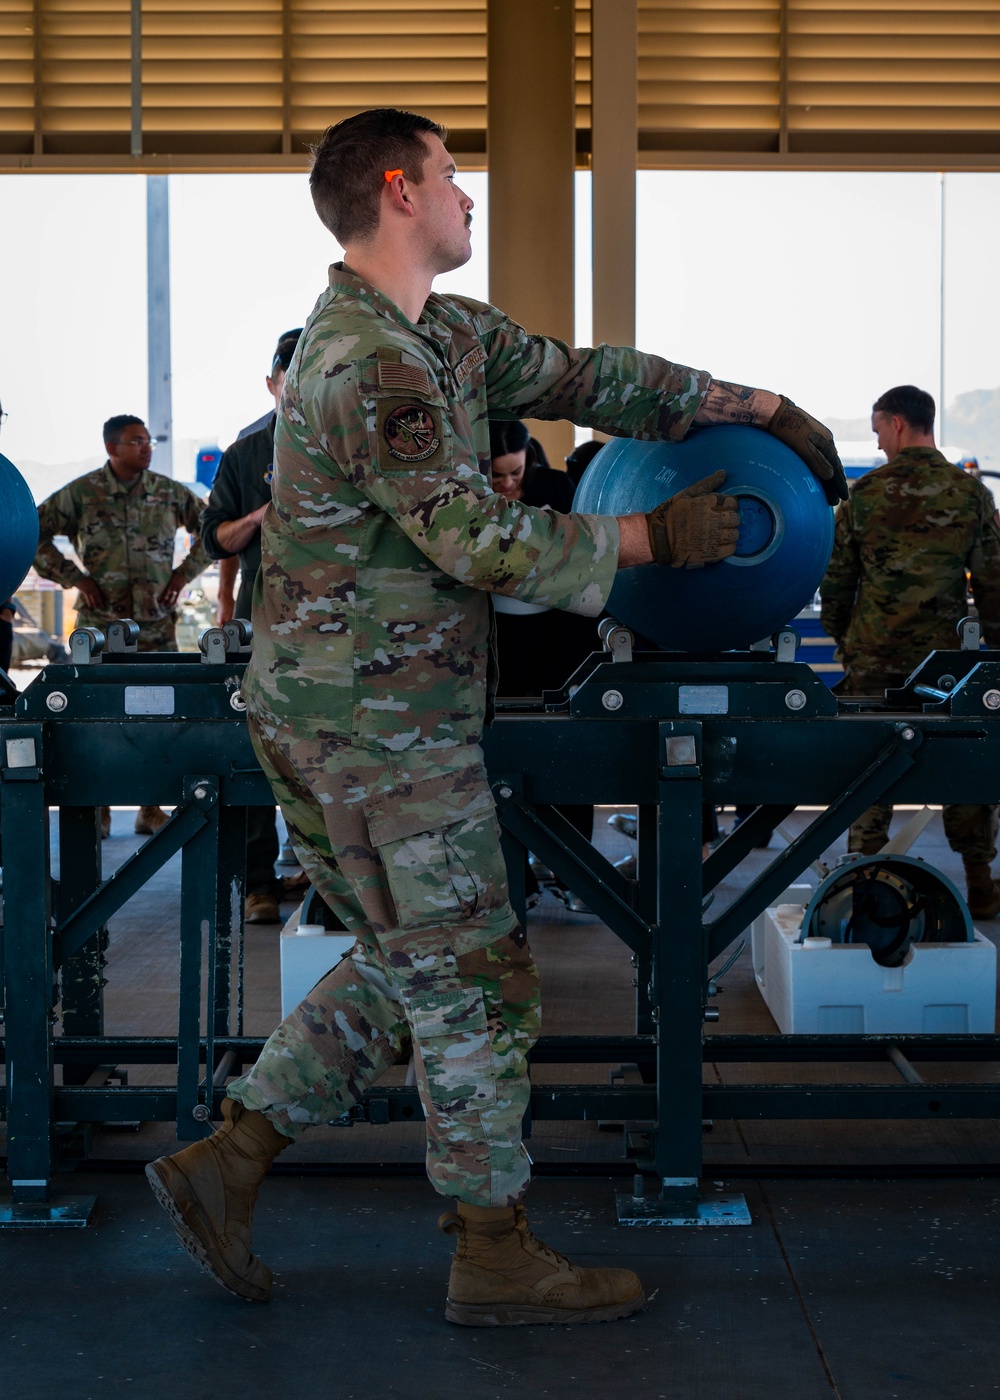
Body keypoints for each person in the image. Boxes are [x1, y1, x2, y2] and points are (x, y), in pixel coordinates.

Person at [146, 106, 845, 1325]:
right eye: (456, 174)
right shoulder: (370, 365)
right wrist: (648, 535)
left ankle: (230, 1158)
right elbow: (477, 539)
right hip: (372, 728)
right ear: (400, 190)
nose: (472, 194)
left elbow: (589, 377)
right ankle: (493, 1248)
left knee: (411, 958)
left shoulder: (446, 335)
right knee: (478, 979)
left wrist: (762, 406)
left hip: (375, 717)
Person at [821, 384, 1000, 918]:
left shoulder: (865, 494)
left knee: (872, 767)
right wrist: (990, 654)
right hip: (948, 667)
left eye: (877, 430)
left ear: (897, 423)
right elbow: (992, 584)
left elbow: (835, 585)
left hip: (874, 662)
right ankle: (980, 883)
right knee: (963, 763)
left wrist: (847, 642)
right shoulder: (969, 494)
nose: (877, 444)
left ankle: (863, 881)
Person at [34, 414, 208, 835]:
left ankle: (151, 809)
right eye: (136, 441)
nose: (146, 447)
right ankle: (99, 809)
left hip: (155, 627)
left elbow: (213, 530)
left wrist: (184, 574)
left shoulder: (169, 492)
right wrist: (75, 578)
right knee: (98, 718)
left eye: (148, 440)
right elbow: (32, 533)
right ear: (112, 448)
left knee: (163, 717)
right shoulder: (81, 494)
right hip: (99, 627)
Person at [201, 329, 307, 922]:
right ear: (271, 384)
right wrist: (261, 517)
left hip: (344, 629)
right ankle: (259, 881)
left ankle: (327, 880)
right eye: (290, 385)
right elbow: (213, 536)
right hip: (263, 624)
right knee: (254, 753)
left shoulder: (354, 445)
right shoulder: (246, 457)